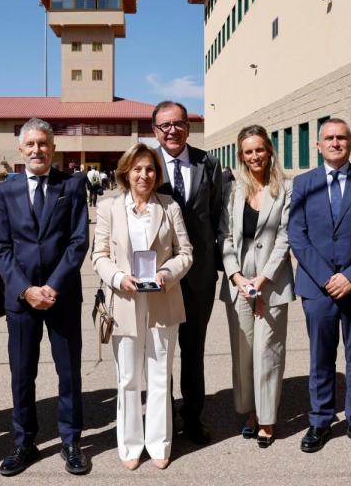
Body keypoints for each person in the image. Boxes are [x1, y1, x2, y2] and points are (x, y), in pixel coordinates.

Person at [0, 118, 91, 476]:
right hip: (21, 299)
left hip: (61, 295)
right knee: (22, 373)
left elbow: (79, 241)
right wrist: (25, 289)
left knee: (69, 372)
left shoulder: (73, 185)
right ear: (21, 149)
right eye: (30, 144)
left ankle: (70, 440)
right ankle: (24, 442)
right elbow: (0, 247)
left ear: (53, 148)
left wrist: (53, 286)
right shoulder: (6, 190)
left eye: (43, 144)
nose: (37, 150)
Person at [91, 143, 193, 470]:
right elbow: (99, 255)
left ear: (156, 173)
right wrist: (118, 277)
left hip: (163, 301)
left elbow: (186, 253)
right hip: (124, 301)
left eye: (149, 169)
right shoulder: (108, 207)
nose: (144, 175)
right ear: (126, 173)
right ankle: (131, 445)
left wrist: (167, 273)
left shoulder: (169, 207)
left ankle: (160, 443)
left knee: (161, 376)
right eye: (137, 169)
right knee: (128, 379)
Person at [288, 118, 351, 456]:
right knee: (321, 356)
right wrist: (328, 278)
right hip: (318, 287)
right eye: (328, 138)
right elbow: (297, 235)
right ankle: (320, 418)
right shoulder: (303, 183)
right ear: (318, 145)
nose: (335, 143)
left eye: (341, 138)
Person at [152, 100, 225, 444]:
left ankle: (192, 416)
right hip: (158, 276)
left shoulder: (208, 163)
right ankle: (162, 414)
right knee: (160, 349)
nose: (172, 130)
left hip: (199, 275)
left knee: (193, 349)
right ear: (155, 130)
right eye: (165, 125)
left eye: (178, 123)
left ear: (189, 127)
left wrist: (221, 266)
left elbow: (218, 216)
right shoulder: (146, 163)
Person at [219, 125, 294, 448]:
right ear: (241, 156)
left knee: (269, 351)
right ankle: (249, 411)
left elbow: (285, 236)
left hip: (272, 280)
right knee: (245, 350)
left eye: (259, 149)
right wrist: (236, 276)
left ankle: (267, 418)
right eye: (248, 151)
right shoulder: (233, 190)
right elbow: (224, 235)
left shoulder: (286, 189)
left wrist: (263, 279)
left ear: (269, 150)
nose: (254, 157)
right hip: (238, 279)